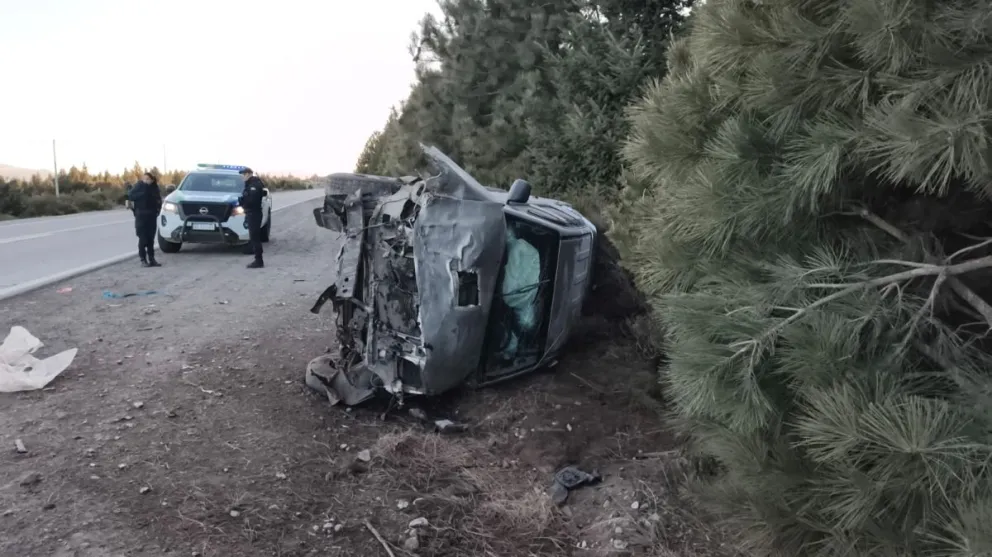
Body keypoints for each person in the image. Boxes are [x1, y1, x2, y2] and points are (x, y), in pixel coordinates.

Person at [126, 172, 163, 267]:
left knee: (151, 239)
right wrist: (143, 193)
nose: (146, 180)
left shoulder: (155, 188)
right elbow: (131, 196)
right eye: (145, 178)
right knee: (143, 238)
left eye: (148, 179)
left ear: (152, 180)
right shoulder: (139, 186)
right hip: (141, 216)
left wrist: (158, 209)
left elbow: (158, 200)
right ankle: (143, 259)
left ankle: (152, 259)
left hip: (152, 216)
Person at [238, 167, 266, 268]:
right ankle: (256, 256)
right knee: (253, 237)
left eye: (244, 174)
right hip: (251, 213)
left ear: (249, 174)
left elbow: (252, 201)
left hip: (254, 213)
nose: (242, 177)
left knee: (255, 238)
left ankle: (259, 260)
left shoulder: (254, 185)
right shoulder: (250, 184)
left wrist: (242, 202)